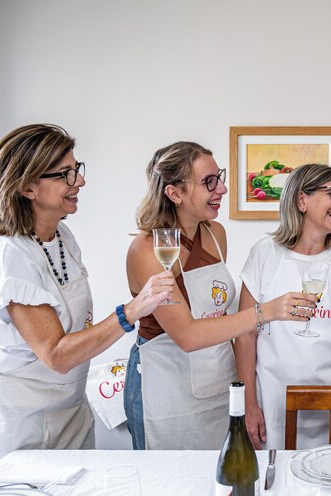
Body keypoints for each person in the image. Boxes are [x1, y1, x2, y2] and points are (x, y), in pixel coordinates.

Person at [0, 124, 174, 470]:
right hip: (19, 416)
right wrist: (130, 312)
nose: (79, 181)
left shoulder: (62, 236)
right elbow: (56, 355)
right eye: (65, 174)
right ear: (27, 187)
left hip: (69, 408)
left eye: (77, 169)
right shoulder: (10, 256)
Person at [125, 142, 314, 450]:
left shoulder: (215, 233)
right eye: (209, 182)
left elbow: (216, 313)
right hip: (165, 381)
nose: (223, 189)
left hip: (216, 378)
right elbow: (187, 336)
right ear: (175, 193)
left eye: (220, 177)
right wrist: (266, 311)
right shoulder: (146, 250)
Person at [235, 164, 331, 450]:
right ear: (301, 200)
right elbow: (245, 334)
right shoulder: (265, 253)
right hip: (274, 400)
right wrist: (249, 404)